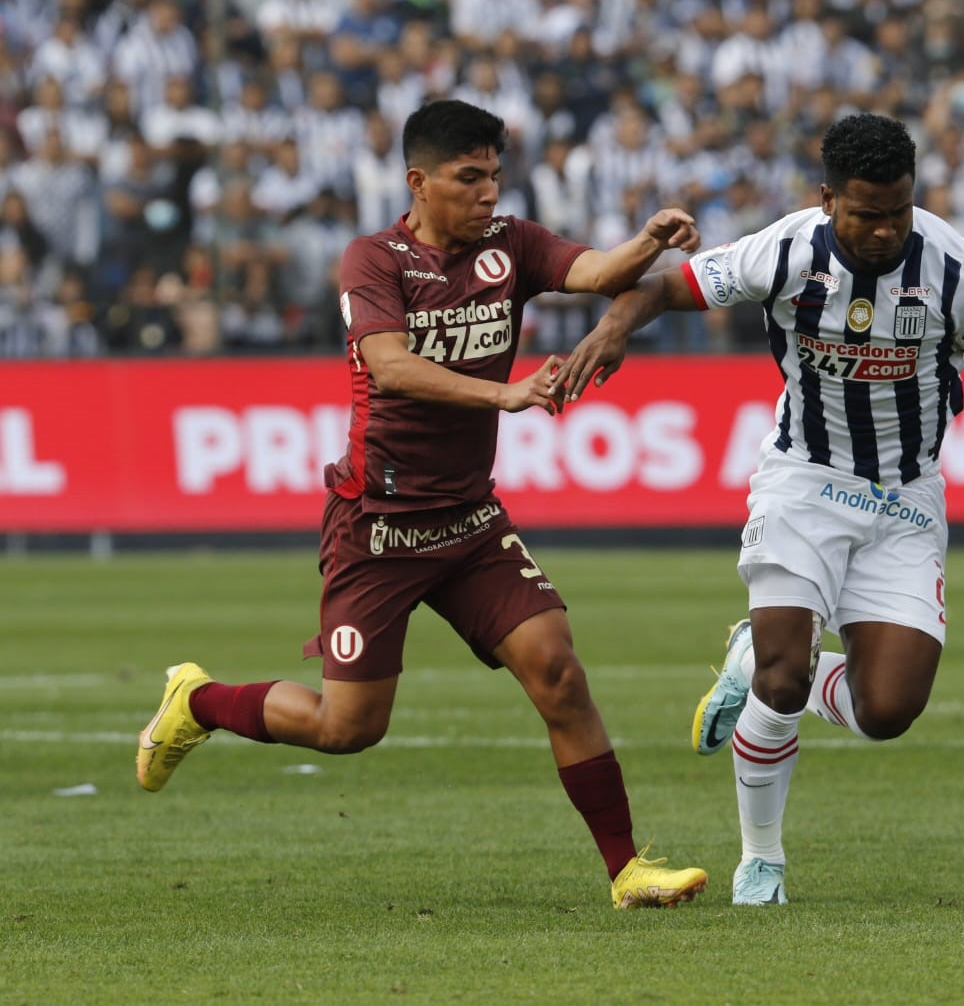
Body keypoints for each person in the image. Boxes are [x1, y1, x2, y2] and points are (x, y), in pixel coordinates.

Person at [135, 99, 707, 910]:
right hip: (379, 524)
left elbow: (596, 274)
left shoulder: (513, 243)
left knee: (559, 671)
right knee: (349, 728)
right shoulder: (374, 260)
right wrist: (505, 395)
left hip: (470, 522)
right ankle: (199, 699)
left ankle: (627, 870)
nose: (486, 194)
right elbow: (392, 366)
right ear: (419, 182)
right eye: (468, 179)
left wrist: (650, 238)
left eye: (494, 177)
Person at [555, 113, 964, 905]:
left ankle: (753, 657)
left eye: (898, 211)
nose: (882, 229)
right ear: (827, 198)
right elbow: (667, 287)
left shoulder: (954, 265)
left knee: (889, 710)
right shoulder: (785, 249)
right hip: (804, 480)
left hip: (906, 497)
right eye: (865, 211)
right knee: (784, 676)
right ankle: (762, 860)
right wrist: (612, 327)